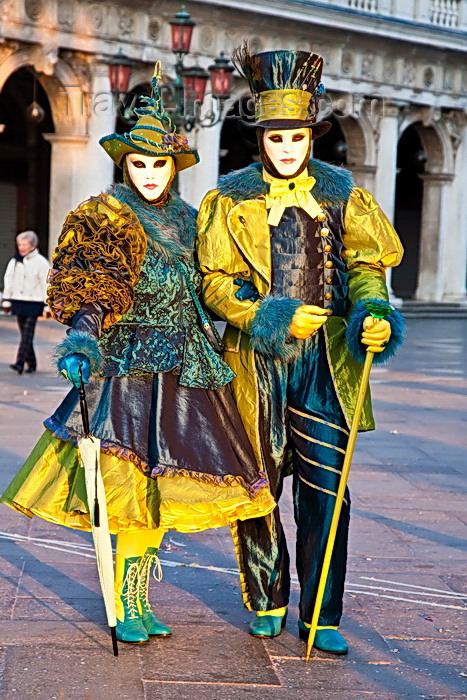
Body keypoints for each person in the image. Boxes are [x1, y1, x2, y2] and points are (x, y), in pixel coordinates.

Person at [1, 66, 275, 645]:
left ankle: (140, 597)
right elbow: (89, 290)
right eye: (139, 164)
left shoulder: (190, 220)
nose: (149, 175)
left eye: (160, 166)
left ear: (173, 169)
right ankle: (127, 601)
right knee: (129, 490)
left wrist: (247, 300)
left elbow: (212, 284)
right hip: (126, 368)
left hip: (188, 366)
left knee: (162, 492)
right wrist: (81, 340)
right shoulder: (106, 216)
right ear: (124, 163)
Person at [196, 46, 405, 655]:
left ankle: (322, 613)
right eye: (276, 138)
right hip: (257, 361)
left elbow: (368, 270)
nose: (287, 149)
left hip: (325, 367)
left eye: (297, 137)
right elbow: (214, 284)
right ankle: (267, 598)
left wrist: (373, 314)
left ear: (311, 136)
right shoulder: (229, 199)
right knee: (258, 486)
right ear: (261, 138)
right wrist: (268, 314)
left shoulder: (343, 195)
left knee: (327, 492)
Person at [2, 230, 50, 374]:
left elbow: (46, 284)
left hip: (34, 302)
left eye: (24, 244)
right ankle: (33, 363)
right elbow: (8, 280)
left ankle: (20, 363)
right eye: (19, 244)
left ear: (32, 245)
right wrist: (6, 300)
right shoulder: (14, 261)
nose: (21, 247)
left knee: (27, 334)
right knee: (25, 334)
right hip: (18, 301)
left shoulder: (41, 262)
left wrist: (47, 305)